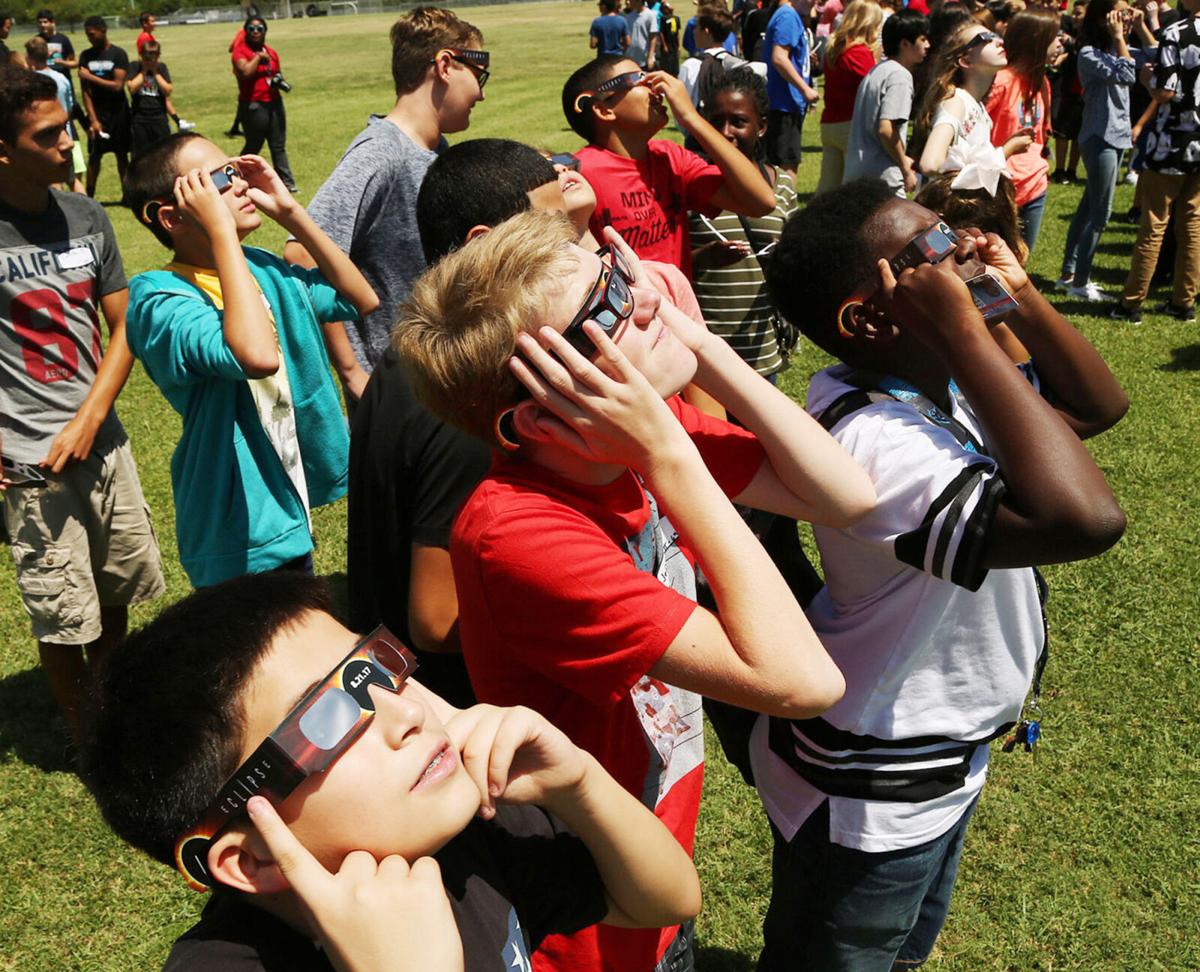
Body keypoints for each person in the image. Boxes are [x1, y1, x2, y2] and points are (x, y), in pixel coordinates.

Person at [398, 207, 872, 972]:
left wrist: (704, 347)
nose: (647, 296)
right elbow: (804, 681)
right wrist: (671, 457)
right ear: (542, 416)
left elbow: (847, 495)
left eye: (619, 273)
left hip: (653, 866)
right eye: (609, 310)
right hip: (591, 921)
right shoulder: (520, 534)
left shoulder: (622, 442)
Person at [754, 179, 1128, 972]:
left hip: (939, 751)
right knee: (842, 953)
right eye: (928, 252)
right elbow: (1084, 519)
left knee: (899, 949)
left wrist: (1013, 297)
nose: (959, 249)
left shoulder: (936, 384)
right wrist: (966, 328)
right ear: (870, 317)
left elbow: (1094, 409)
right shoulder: (872, 439)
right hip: (875, 772)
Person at [81, 572, 703, 972]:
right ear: (252, 859)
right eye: (324, 722)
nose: (407, 710)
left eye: (374, 669)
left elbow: (665, 901)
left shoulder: (454, 835)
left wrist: (581, 785)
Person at [121, 133, 378, 587]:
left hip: (283, 496)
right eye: (219, 179)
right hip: (236, 522)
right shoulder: (158, 299)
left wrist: (292, 214)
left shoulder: (258, 266)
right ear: (171, 215)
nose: (239, 183)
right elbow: (255, 356)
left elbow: (360, 297)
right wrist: (222, 234)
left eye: (235, 171)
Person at [0, 66, 164, 741]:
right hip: (31, 464)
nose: (68, 144)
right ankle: (89, 740)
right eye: (48, 136)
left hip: (104, 443)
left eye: (65, 128)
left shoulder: (86, 214)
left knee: (119, 584)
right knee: (63, 609)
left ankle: (114, 706)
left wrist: (93, 416)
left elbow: (124, 327)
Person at [284, 6, 486, 396]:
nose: (482, 92)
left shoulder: (435, 150)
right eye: (480, 76)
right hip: (393, 387)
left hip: (436, 376)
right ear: (445, 65)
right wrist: (352, 370)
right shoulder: (382, 153)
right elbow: (303, 254)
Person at [562, 54, 775, 278]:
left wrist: (691, 118)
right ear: (604, 110)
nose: (655, 87)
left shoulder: (671, 158)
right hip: (627, 311)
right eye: (638, 79)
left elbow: (761, 202)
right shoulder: (580, 175)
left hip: (680, 310)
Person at [688, 67, 797, 377]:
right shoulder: (688, 184)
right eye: (716, 122)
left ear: (761, 127)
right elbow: (666, 265)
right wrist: (704, 257)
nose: (725, 132)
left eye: (738, 121)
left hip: (761, 346)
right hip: (705, 350)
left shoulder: (781, 185)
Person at [1056, 0, 1155, 301]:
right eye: (1121, 13)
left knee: (1087, 207)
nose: (1125, 18)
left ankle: (1068, 275)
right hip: (1100, 139)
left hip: (1117, 137)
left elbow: (1157, 56)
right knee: (1101, 214)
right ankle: (1080, 282)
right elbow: (1127, 75)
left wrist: (1140, 26)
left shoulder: (1115, 49)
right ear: (1104, 19)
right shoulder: (1089, 54)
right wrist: (1120, 37)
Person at [1111, 0, 1200, 324]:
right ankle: (1183, 301)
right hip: (1199, 143)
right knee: (1192, 223)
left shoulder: (1177, 32)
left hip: (1171, 141)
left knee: (1154, 223)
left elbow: (1165, 91)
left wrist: (1148, 78)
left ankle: (1131, 303)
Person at [985, 7, 1061, 254]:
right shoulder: (1000, 81)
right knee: (993, 263)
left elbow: (1041, 134)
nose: (1060, 44)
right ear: (1036, 41)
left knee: (1020, 261)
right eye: (1054, 38)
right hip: (1000, 189)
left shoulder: (1042, 83)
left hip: (1035, 186)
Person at [843, 8, 931, 195]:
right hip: (883, 180)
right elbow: (886, 129)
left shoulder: (876, 71)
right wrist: (905, 170)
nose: (928, 45)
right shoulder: (900, 76)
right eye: (923, 39)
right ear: (905, 44)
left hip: (857, 172)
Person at [816, 0, 883, 194]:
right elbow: (875, 86)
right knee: (853, 189)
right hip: (851, 125)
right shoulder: (858, 53)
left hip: (830, 123)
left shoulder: (835, 47)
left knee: (828, 188)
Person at [231, 17, 296, 194]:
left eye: (260, 28)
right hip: (253, 105)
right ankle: (234, 177)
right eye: (251, 28)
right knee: (253, 145)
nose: (256, 32)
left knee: (278, 145)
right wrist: (258, 57)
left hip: (274, 103)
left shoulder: (271, 52)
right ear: (246, 31)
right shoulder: (240, 52)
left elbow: (277, 73)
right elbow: (244, 72)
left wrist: (279, 81)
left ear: (265, 31)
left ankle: (287, 183)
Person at [763, 0, 820, 174]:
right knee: (786, 165)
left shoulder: (791, 16)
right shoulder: (788, 17)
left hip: (787, 103)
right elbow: (779, 58)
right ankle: (784, 202)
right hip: (783, 104)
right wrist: (805, 89)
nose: (815, 2)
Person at [78, 15, 131, 198]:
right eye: (87, 35)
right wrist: (92, 119)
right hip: (98, 113)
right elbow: (86, 92)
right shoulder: (86, 56)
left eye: (92, 34)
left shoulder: (118, 54)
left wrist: (90, 77)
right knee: (94, 157)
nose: (89, 38)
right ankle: (89, 196)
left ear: (103, 31)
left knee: (122, 154)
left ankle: (127, 195)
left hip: (119, 113)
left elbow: (117, 86)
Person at [25, 35, 85, 191]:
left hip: (46, 140)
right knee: (73, 180)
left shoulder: (31, 82)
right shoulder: (62, 78)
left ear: (29, 58)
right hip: (66, 134)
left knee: (54, 181)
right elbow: (71, 105)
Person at [134, 12, 194, 132]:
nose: (154, 23)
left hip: (152, 69)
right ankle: (178, 122)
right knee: (163, 97)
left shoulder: (149, 36)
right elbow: (143, 56)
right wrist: (151, 69)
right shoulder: (144, 37)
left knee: (165, 98)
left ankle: (178, 121)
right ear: (144, 24)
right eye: (151, 21)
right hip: (150, 71)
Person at [1050, 0, 1088, 182]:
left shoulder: (1089, 36)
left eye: (1079, 13)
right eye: (1074, 13)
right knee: (1062, 131)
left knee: (1078, 133)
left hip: (1083, 89)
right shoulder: (1071, 29)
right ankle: (1059, 169)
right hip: (1067, 86)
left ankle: (1071, 170)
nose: (1074, 17)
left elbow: (1081, 49)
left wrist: (1071, 43)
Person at [127, 40, 173, 156]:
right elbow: (132, 88)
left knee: (164, 152)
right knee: (140, 155)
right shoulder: (135, 66)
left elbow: (167, 90)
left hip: (159, 117)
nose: (150, 61)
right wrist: (144, 71)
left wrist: (155, 72)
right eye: (147, 58)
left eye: (154, 57)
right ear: (141, 56)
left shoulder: (161, 68)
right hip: (139, 118)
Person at [37, 9, 76, 80]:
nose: (42, 25)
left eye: (45, 22)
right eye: (40, 22)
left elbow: (74, 63)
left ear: (53, 22)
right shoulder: (37, 40)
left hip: (62, 79)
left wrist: (62, 62)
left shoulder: (63, 39)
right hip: (44, 81)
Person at [625, 0, 661, 68]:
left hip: (644, 60)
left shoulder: (650, 15)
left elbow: (653, 38)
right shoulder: (629, 16)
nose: (629, 2)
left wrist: (650, 57)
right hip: (630, 58)